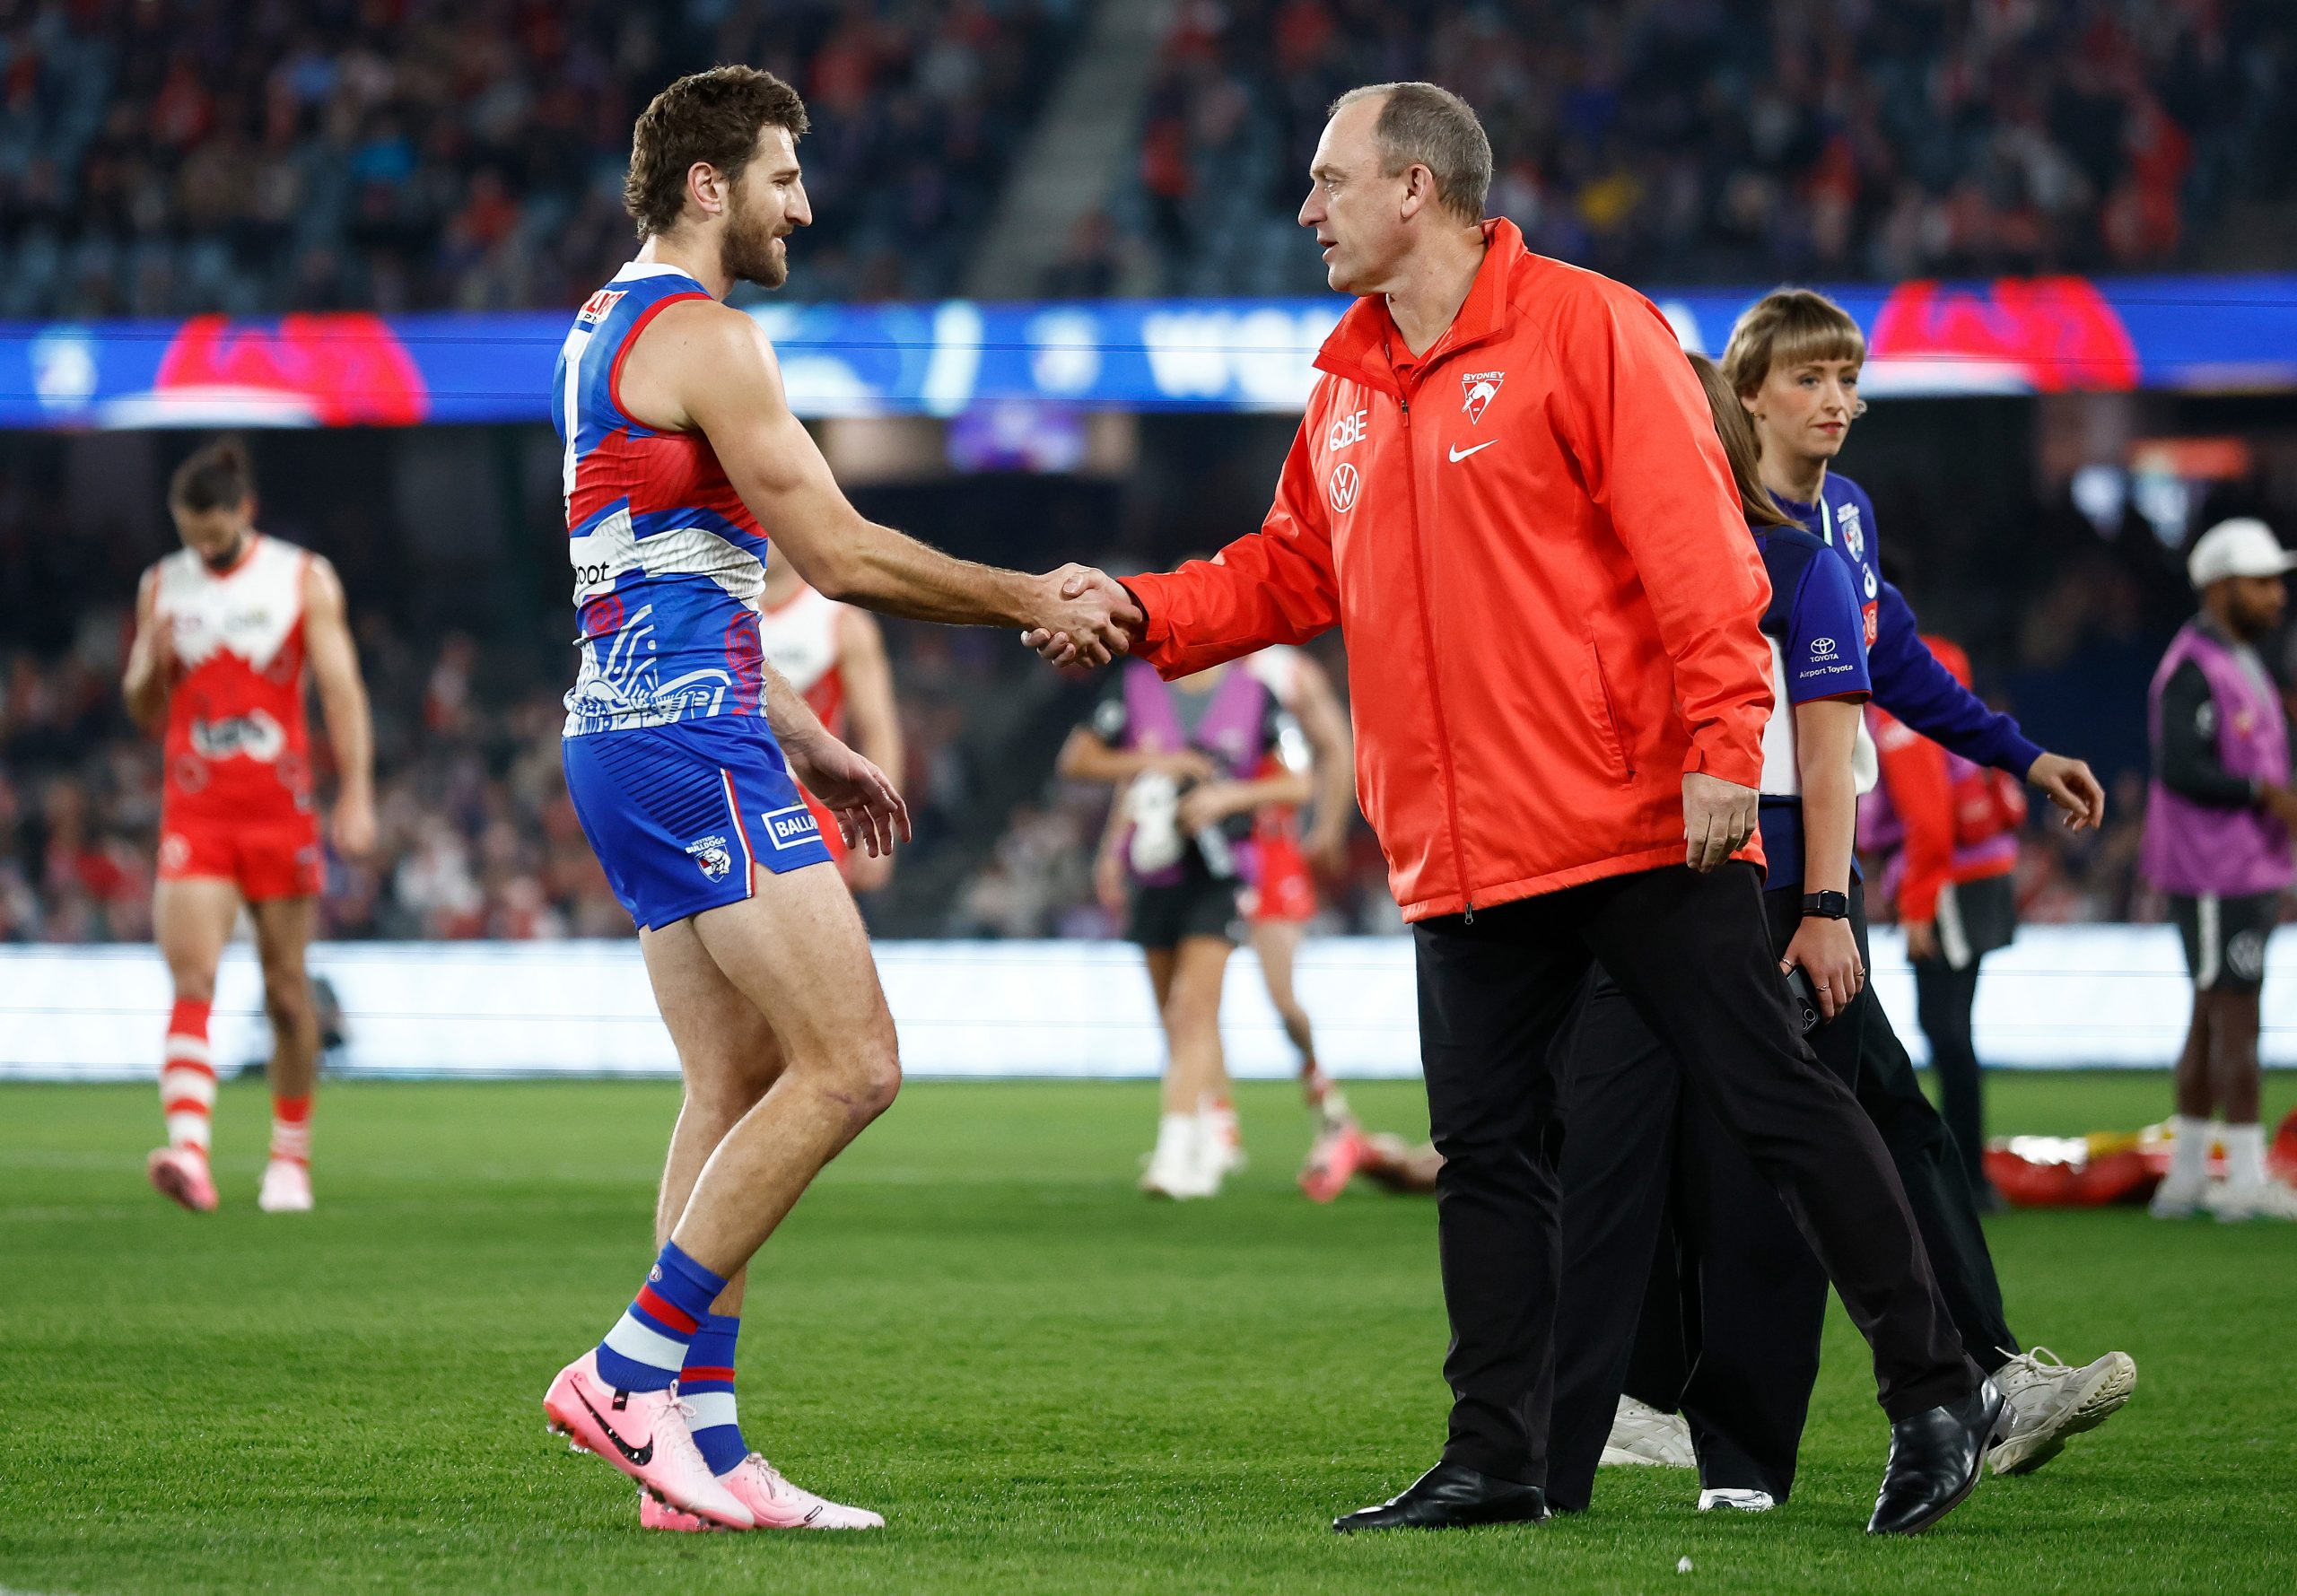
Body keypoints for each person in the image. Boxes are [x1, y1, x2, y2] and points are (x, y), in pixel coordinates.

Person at [1039, 82, 2004, 1538]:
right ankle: (1496, 1452)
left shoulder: (1590, 327)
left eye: (1327, 180)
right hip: (1457, 846)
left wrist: (1719, 752)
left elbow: (1701, 562)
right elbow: (1293, 565)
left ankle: (1937, 1394)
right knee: (1488, 1155)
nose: (1306, 208)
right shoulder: (1350, 380)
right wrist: (1145, 610)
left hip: (1628, 815)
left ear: (1415, 188)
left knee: (1773, 1096)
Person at [537, 65, 1136, 1533]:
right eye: (785, 176)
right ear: (708, 186)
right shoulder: (707, 335)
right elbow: (843, 551)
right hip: (692, 738)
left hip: (635, 723)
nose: (805, 203)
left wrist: (807, 730)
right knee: (855, 1061)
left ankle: (702, 1449)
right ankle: (627, 1370)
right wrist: (1026, 597)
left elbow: (662, 571)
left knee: (731, 1087)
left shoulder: (597, 326)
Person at [1604, 287, 2131, 1482]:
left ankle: (1979, 1370)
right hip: (1702, 870)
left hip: (1796, 882)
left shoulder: (1844, 519)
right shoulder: (1706, 523)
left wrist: (2020, 749)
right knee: (1686, 1133)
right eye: (1807, 379)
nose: (1837, 400)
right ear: (1745, 398)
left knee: (1873, 1111)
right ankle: (1658, 1390)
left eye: (1849, 378)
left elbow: (1895, 664)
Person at [124, 438, 376, 1217]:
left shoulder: (301, 578)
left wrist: (356, 792)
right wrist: (145, 666)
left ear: (244, 512)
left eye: (211, 530)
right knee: (192, 976)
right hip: (196, 809)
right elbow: (143, 709)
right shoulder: (163, 586)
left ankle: (288, 1158)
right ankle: (191, 1154)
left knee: (288, 992)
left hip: (279, 808)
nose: (200, 545)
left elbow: (340, 690)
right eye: (187, 531)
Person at [1063, 656, 1310, 1197]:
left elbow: (1298, 782)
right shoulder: (1133, 687)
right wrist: (1159, 764)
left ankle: (1176, 1149)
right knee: (1171, 1017)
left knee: (1191, 1008)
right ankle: (1205, 1129)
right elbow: (1079, 760)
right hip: (1152, 869)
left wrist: (1230, 796)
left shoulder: (1257, 695)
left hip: (1222, 872)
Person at [2142, 517, 2297, 1222]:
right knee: (2238, 1015)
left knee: (2212, 1013)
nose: (2277, 596)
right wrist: (2262, 793)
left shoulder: (2231, 656)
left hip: (2238, 866)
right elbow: (2180, 764)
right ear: (2223, 586)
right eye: (2263, 583)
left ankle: (2184, 1177)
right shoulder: (2195, 665)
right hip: (2214, 869)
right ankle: (2240, 1176)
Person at [1864, 636, 2025, 1208]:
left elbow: (1927, 820)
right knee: (1953, 1029)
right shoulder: (1940, 679)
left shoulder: (1894, 702)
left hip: (1947, 878)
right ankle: (1969, 1173)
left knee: (1946, 1029)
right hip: (1983, 868)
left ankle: (1966, 1179)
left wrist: (1917, 907)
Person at [757, 556, 904, 894]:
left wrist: (883, 832)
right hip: (733, 797)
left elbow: (879, 731)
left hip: (816, 808)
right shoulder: (714, 612)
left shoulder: (840, 621)